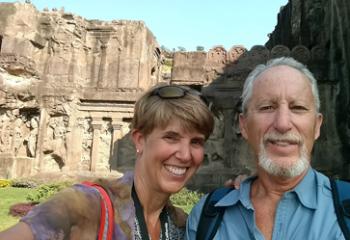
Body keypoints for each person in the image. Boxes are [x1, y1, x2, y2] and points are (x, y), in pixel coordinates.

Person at [0, 84, 214, 240]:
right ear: (140, 140)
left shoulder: (182, 224)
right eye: (171, 137)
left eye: (196, 142)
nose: (185, 155)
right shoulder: (85, 204)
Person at [186, 57, 346, 239]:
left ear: (317, 126)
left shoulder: (344, 213)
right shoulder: (206, 219)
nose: (283, 124)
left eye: (298, 107)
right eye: (267, 107)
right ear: (244, 125)